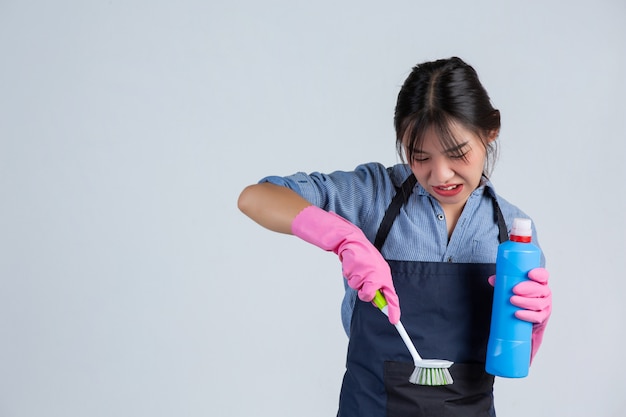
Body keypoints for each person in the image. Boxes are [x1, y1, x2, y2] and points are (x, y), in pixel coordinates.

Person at [237, 57, 552, 417]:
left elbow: (513, 360)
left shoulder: (512, 232)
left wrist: (532, 325)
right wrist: (343, 238)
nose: (440, 174)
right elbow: (255, 197)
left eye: (458, 154)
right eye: (420, 157)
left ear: (490, 131)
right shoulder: (375, 195)